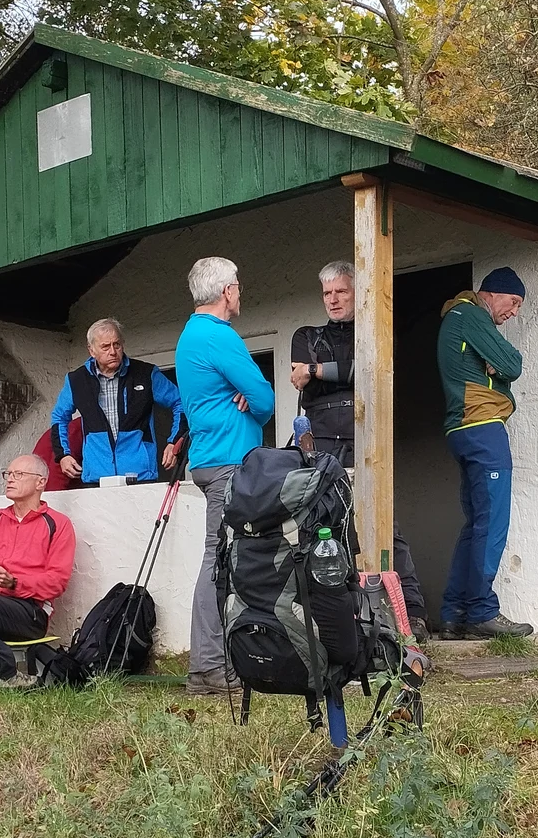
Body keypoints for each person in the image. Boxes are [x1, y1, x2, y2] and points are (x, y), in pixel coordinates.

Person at [290, 260, 429, 638]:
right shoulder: (307, 335)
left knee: (385, 527)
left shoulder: (375, 331)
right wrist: (336, 372)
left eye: (341, 291)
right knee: (323, 528)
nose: (333, 300)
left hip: (367, 441)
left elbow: (369, 371)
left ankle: (412, 614)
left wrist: (317, 371)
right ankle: (332, 619)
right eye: (327, 293)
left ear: (358, 292)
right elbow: (302, 377)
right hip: (320, 446)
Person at [174, 257, 276, 695]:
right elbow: (265, 399)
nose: (239, 292)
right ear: (226, 291)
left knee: (226, 558)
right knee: (217, 560)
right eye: (237, 285)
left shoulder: (190, 335)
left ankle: (224, 659)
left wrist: (243, 392)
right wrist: (249, 396)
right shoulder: (219, 335)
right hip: (229, 460)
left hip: (208, 457)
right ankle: (209, 668)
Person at [436, 267, 534, 638]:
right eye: (514, 302)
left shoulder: (457, 317)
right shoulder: (471, 315)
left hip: (461, 430)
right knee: (492, 523)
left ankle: (454, 613)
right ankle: (481, 611)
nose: (514, 312)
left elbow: (501, 362)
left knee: (476, 525)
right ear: (492, 293)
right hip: (482, 428)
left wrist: (495, 365)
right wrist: (501, 367)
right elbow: (513, 363)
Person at [0, 454, 78, 687]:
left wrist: (14, 583)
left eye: (19, 474)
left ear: (40, 482)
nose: (10, 479)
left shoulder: (58, 524)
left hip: (30, 612)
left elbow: (57, 582)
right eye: (8, 474)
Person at [49, 318, 186, 486]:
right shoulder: (76, 380)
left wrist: (174, 441)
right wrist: (63, 455)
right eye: (105, 346)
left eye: (117, 345)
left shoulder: (146, 373)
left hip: (140, 475)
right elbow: (59, 417)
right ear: (91, 350)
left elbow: (181, 403)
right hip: (96, 477)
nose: (113, 351)